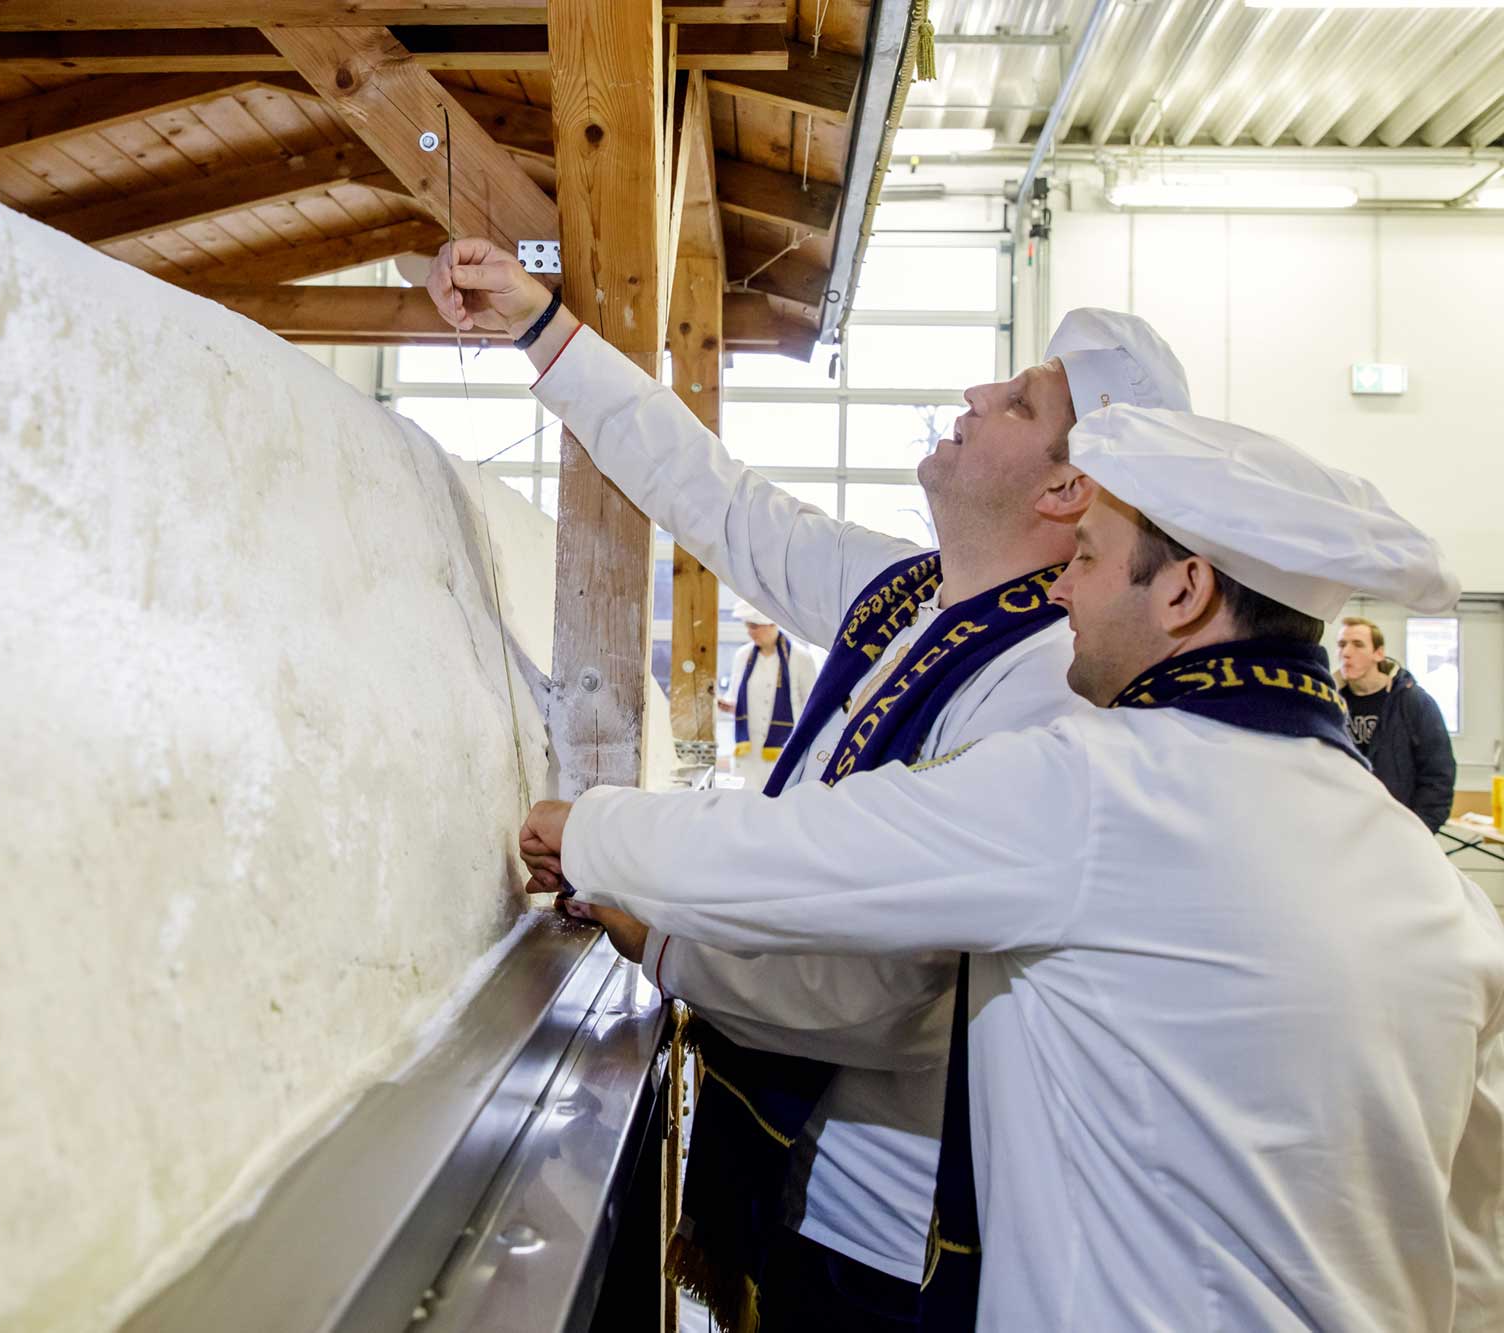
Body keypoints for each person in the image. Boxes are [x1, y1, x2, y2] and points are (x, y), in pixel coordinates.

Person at [518, 407, 1504, 1332]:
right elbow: (1473, 1234)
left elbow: (811, 849)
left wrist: (588, 829)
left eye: (1083, 557)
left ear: (1181, 590)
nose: (1060, 588)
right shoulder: (1434, 889)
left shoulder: (1101, 788)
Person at [426, 236, 1190, 1330]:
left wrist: (659, 933)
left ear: (1068, 488)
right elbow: (717, 498)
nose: (975, 390)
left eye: (1017, 401)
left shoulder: (1043, 689)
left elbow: (883, 986)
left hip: (879, 1221)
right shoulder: (907, 598)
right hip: (801, 1174)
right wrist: (541, 327)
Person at [1337, 615, 1457, 831]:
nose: (1346, 653)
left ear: (1378, 653)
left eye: (1358, 645)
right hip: (1345, 827)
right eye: (1342, 644)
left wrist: (1419, 830)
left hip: (1398, 828)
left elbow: (1438, 773)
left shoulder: (1413, 702)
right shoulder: (1332, 703)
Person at [719, 599, 819, 791]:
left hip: (784, 749)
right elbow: (735, 698)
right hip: (748, 754)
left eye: (755, 626)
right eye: (748, 626)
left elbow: (811, 707)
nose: (750, 632)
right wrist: (727, 705)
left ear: (772, 624)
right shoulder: (742, 656)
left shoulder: (800, 657)